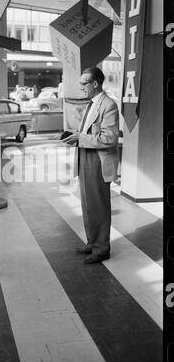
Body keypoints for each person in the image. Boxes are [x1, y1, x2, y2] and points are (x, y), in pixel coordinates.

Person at [62, 67, 119, 264]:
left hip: (98, 161)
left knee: (99, 206)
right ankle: (92, 241)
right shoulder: (91, 104)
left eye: (84, 83)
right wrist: (75, 136)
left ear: (95, 84)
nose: (81, 87)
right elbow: (87, 131)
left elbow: (110, 137)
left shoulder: (108, 105)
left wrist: (82, 137)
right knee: (87, 205)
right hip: (86, 157)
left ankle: (102, 248)